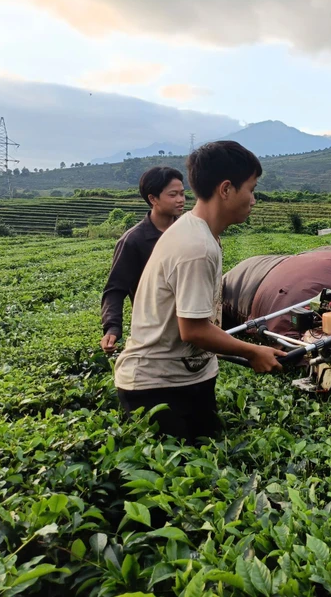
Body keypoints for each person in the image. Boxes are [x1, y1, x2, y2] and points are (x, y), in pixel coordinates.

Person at [114, 141, 284, 442]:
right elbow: (193, 330)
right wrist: (253, 351)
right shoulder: (196, 247)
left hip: (188, 377)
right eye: (251, 188)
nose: (254, 200)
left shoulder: (202, 235)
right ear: (226, 189)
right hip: (157, 389)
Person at [100, 167, 185, 354]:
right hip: (153, 332)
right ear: (153, 199)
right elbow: (115, 289)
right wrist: (112, 328)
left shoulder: (188, 233)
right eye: (173, 195)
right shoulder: (133, 241)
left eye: (182, 193)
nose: (181, 200)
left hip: (192, 328)